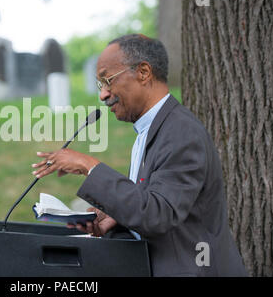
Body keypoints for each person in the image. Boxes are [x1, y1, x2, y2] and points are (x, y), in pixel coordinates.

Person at [31, 34, 247, 277]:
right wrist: (116, 215)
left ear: (143, 72)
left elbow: (157, 215)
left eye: (107, 80)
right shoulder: (152, 128)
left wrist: (88, 165)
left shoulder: (180, 132)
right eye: (100, 84)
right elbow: (158, 203)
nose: (103, 94)